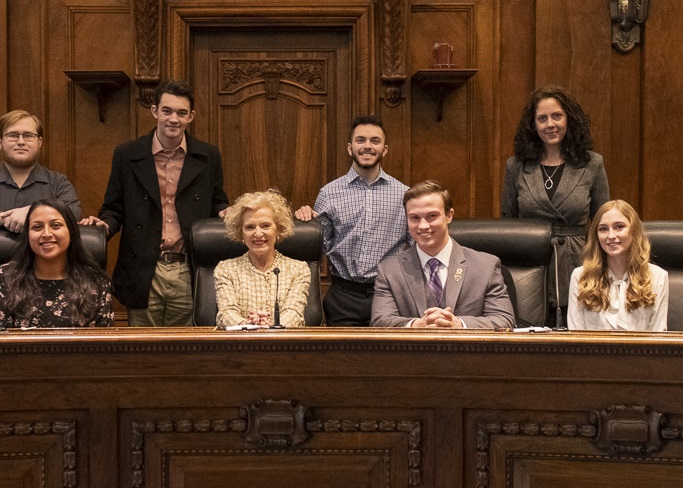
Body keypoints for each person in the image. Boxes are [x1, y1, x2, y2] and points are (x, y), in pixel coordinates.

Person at [83, 82, 228, 326]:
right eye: (167, 111)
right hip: (143, 267)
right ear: (155, 111)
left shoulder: (208, 155)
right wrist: (103, 225)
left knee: (186, 349)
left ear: (191, 116)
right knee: (143, 351)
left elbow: (218, 203)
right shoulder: (127, 154)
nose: (174, 119)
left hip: (188, 267)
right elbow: (113, 207)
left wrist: (229, 212)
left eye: (182, 113)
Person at [501, 86, 610, 326]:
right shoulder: (516, 166)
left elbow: (604, 222)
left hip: (579, 262)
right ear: (533, 125)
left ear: (569, 119)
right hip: (531, 266)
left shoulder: (592, 163)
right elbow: (508, 224)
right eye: (542, 118)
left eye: (557, 116)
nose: (550, 124)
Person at [294, 116, 408, 326]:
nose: (367, 146)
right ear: (350, 148)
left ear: (384, 149)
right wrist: (305, 221)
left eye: (375, 141)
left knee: (391, 357)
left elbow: (417, 246)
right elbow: (317, 248)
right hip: (343, 295)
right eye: (360, 140)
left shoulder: (404, 195)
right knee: (344, 358)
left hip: (389, 293)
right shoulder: (328, 194)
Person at [371, 180, 514, 329]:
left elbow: (504, 320)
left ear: (449, 215)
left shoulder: (485, 266)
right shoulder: (389, 271)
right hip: (414, 351)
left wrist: (460, 325)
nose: (423, 226)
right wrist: (416, 325)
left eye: (432, 216)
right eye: (414, 218)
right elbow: (379, 321)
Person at [0, 201, 114, 329]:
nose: (46, 234)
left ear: (71, 232)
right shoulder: (5, 277)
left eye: (56, 225)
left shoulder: (96, 282)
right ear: (27, 235)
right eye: (37, 227)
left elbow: (102, 345)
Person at [0, 110, 82, 236]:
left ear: (39, 142)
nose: (21, 142)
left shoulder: (58, 182)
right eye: (13, 135)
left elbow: (74, 212)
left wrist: (33, 212)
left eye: (28, 135)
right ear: (0, 141)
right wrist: (2, 218)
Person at [567, 200, 669, 332]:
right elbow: (575, 337)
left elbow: (658, 337)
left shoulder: (658, 277)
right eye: (603, 229)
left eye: (619, 227)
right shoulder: (580, 276)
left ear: (634, 231)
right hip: (592, 352)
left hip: (641, 352)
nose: (611, 236)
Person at [215, 189, 312, 328]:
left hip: (285, 345)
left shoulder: (298, 269)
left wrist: (272, 327)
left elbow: (294, 313)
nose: (258, 233)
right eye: (250, 227)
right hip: (240, 343)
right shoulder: (226, 269)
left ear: (278, 229)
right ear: (241, 233)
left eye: (265, 226)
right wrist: (247, 325)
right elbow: (226, 313)